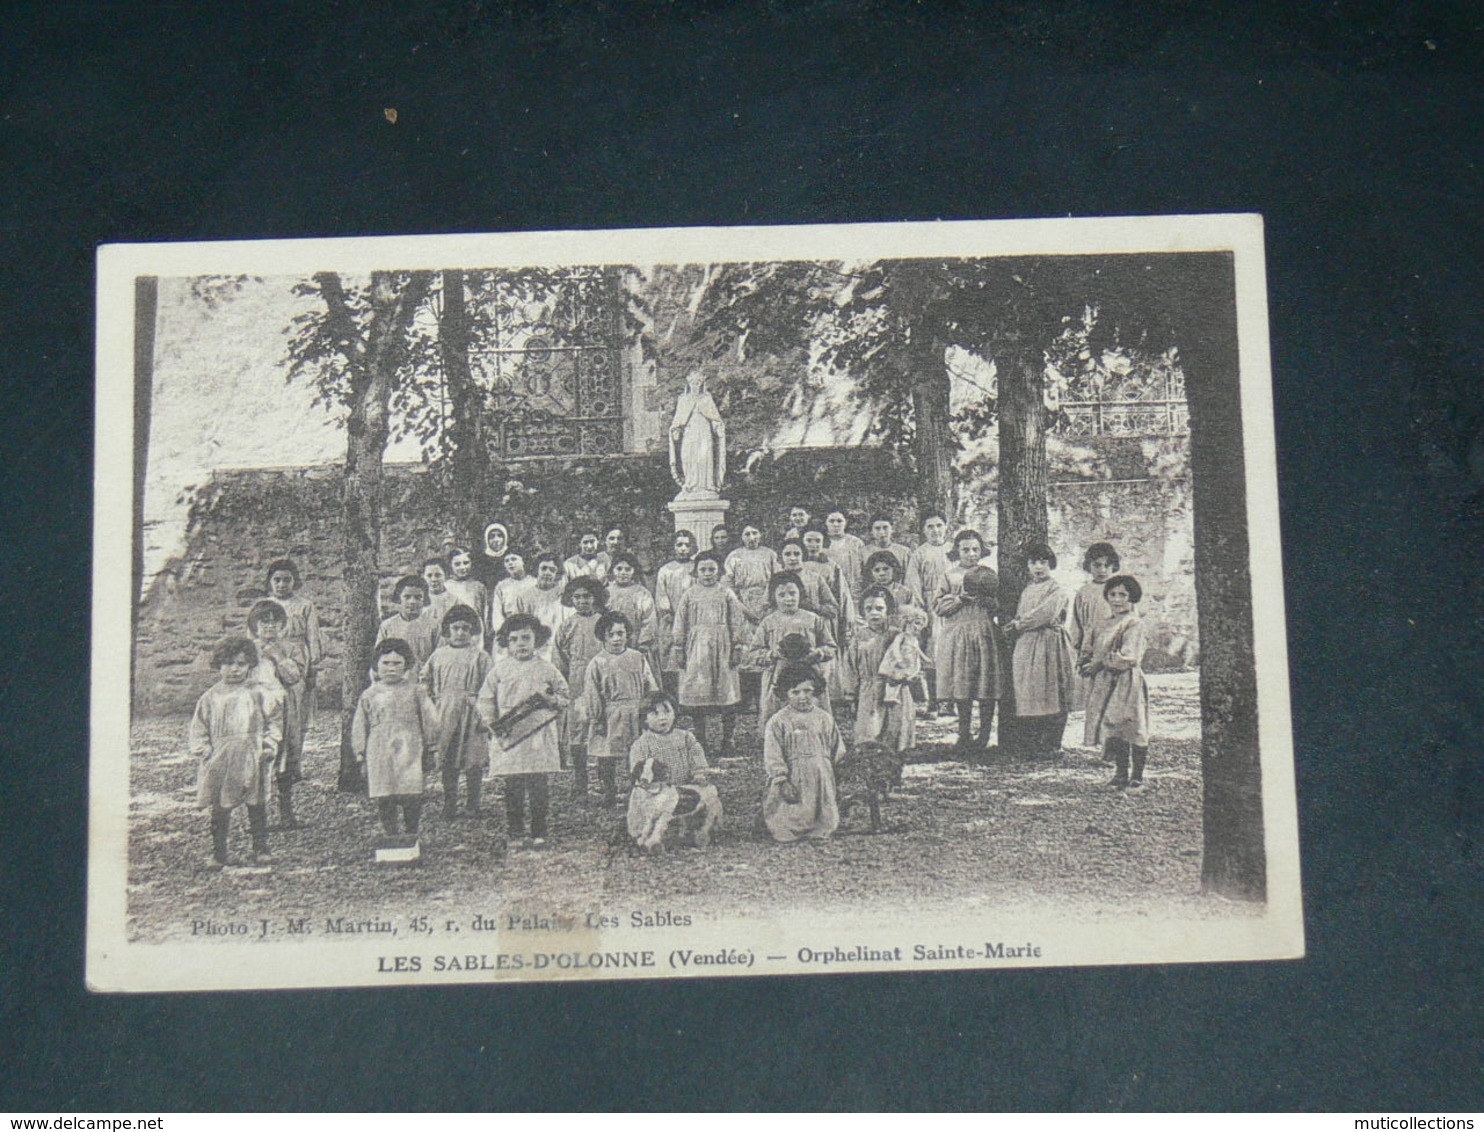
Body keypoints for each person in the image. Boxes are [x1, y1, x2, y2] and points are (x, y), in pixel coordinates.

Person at [476, 613, 571, 846]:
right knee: (513, 786)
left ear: (536, 640)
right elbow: (485, 700)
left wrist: (553, 700)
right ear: (507, 644)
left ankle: (539, 830)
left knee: (539, 785)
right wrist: (492, 722)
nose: (521, 644)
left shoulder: (547, 668)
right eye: (515, 639)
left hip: (538, 733)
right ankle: (516, 831)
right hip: (511, 735)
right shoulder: (499, 671)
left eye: (526, 638)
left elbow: (564, 695)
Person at [190, 636, 281, 869]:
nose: (234, 669)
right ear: (219, 665)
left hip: (252, 754)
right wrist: (204, 749)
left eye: (241, 664)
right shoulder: (210, 697)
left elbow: (273, 721)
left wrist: (270, 744)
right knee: (221, 806)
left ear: (250, 665)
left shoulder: (258, 693)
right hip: (222, 757)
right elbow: (199, 727)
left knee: (256, 803)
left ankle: (261, 848)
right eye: (229, 663)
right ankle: (219, 853)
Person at [351, 638, 437, 843]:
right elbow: (359, 725)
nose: (391, 668)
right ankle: (391, 836)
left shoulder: (417, 691)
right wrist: (360, 754)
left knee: (411, 794)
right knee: (384, 795)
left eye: (397, 663)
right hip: (379, 751)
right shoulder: (369, 694)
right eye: (385, 663)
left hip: (409, 749)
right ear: (376, 666)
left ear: (406, 665)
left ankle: (411, 834)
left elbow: (430, 719)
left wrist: (431, 747)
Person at [671, 550, 748, 757]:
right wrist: (678, 647)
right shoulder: (689, 594)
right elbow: (680, 622)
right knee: (698, 692)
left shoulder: (726, 593)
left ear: (719, 571)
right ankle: (701, 739)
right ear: (696, 572)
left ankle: (728, 739)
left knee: (727, 691)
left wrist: (737, 645)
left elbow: (737, 620)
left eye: (711, 569)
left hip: (723, 646)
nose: (707, 574)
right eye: (702, 570)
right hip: (696, 647)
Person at [1004, 542, 1077, 758]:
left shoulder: (1057, 589)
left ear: (1051, 564)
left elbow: (1044, 614)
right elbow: (1022, 613)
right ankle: (1033, 743)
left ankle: (1053, 743)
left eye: (1043, 562)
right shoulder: (1028, 589)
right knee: (1030, 691)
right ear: (1027, 565)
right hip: (1027, 644)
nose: (1038, 567)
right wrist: (1014, 624)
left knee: (1053, 690)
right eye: (1033, 562)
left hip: (1049, 643)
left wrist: (1018, 625)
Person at [933, 529, 1003, 754]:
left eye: (975, 549)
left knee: (985, 683)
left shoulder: (989, 574)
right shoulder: (950, 575)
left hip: (983, 631)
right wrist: (960, 599)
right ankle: (964, 733)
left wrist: (988, 600)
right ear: (957, 551)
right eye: (965, 549)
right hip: (958, 633)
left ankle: (983, 735)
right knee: (962, 682)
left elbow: (999, 605)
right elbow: (937, 606)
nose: (971, 554)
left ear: (981, 550)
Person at [761, 665, 848, 843]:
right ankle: (786, 829)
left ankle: (821, 828)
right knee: (789, 814)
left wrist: (839, 769)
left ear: (816, 691)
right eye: (796, 692)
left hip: (821, 774)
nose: (803, 697)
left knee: (824, 811)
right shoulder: (778, 721)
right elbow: (773, 753)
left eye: (808, 691)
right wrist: (781, 779)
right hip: (793, 775)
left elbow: (837, 748)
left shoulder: (824, 718)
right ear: (786, 693)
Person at [582, 611, 661, 808]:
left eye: (620, 633)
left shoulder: (637, 658)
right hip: (609, 714)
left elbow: (650, 685)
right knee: (606, 755)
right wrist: (597, 717)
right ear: (603, 637)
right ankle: (609, 791)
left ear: (627, 635)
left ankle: (634, 791)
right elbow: (592, 693)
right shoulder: (597, 662)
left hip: (636, 712)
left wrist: (649, 708)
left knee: (635, 754)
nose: (616, 639)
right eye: (611, 634)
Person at [421, 605, 492, 818]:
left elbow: (490, 685)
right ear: (447, 630)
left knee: (474, 759)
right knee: (448, 758)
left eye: (466, 628)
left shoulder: (480, 656)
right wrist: (430, 704)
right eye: (456, 628)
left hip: (473, 710)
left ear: (473, 631)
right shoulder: (438, 655)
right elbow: (425, 680)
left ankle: (473, 804)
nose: (461, 633)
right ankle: (449, 803)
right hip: (445, 709)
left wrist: (485, 711)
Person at [1081, 575, 1151, 789]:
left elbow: (1128, 657)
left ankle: (1137, 775)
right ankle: (1120, 773)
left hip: (1126, 680)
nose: (1117, 599)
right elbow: (1091, 646)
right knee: (1112, 725)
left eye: (1123, 595)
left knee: (1132, 724)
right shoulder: (1104, 623)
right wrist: (1086, 660)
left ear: (1132, 597)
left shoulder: (1133, 623)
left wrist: (1099, 664)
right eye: (1112, 594)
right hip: (1105, 682)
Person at [747, 571, 837, 731]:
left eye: (792, 593)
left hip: (809, 673)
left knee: (811, 710)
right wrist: (771, 654)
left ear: (800, 594)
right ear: (774, 597)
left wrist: (818, 653)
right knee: (779, 712)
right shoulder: (768, 622)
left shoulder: (813, 619)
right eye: (782, 595)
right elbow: (754, 652)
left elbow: (830, 646)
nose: (788, 599)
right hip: (779, 673)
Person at [246, 599, 307, 830]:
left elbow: (295, 676)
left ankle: (286, 813)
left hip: (284, 710)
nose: (269, 627)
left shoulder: (292, 648)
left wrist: (278, 657)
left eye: (275, 622)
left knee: (285, 759)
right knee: (258, 758)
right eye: (264, 622)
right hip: (256, 709)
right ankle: (257, 817)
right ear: (254, 625)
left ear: (282, 625)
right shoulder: (249, 649)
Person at [842, 586, 920, 753]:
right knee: (869, 732)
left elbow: (910, 660)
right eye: (868, 609)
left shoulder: (897, 635)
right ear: (863, 612)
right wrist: (850, 694)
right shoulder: (859, 637)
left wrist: (904, 674)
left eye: (879, 608)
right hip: (869, 689)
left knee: (894, 731)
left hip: (894, 690)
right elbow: (850, 666)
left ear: (888, 610)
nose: (874, 613)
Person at [554, 575, 608, 799]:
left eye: (586, 596)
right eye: (577, 597)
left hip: (602, 677)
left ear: (595, 597)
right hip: (576, 679)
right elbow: (559, 656)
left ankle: (606, 781)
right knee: (578, 727)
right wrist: (564, 680)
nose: (582, 601)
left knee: (603, 726)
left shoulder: (604, 621)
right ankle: (580, 780)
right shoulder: (568, 624)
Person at [264, 558, 323, 735]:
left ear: (294, 581)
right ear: (270, 581)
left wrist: (313, 663)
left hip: (297, 654)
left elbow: (313, 635)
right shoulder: (265, 605)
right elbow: (253, 633)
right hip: (271, 652)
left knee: (296, 694)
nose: (282, 584)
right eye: (277, 580)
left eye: (287, 580)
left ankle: (294, 733)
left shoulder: (305, 605)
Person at [906, 514, 952, 715]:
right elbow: (913, 582)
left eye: (939, 525)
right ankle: (933, 702)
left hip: (952, 606)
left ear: (946, 527)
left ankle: (951, 703)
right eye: (930, 526)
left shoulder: (954, 550)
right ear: (924, 530)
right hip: (930, 607)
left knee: (952, 654)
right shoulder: (919, 554)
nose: (935, 530)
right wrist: (922, 609)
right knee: (932, 655)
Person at [1069, 542, 1119, 718]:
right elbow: (1076, 623)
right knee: (1094, 695)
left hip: (1113, 647)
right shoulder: (1084, 592)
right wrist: (1076, 648)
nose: (1102, 569)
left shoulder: (1119, 590)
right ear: (1089, 565)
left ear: (1114, 566)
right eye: (1097, 565)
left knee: (1114, 694)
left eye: (1107, 565)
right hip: (1090, 647)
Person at [627, 689, 711, 787]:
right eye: (655, 713)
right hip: (655, 791)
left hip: (685, 787)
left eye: (667, 711)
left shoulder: (686, 737)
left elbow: (697, 758)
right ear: (645, 719)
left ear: (674, 714)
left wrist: (699, 775)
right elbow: (638, 770)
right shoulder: (641, 744)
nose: (662, 717)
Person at [669, 369, 727, 496]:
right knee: (688, 456)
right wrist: (676, 430)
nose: (695, 385)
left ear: (702, 384)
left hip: (704, 432)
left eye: (698, 383)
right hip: (689, 432)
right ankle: (690, 483)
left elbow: (714, 418)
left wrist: (718, 427)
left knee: (704, 458)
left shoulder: (706, 398)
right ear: (689, 384)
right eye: (693, 383)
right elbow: (678, 420)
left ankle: (706, 486)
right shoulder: (684, 399)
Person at [654, 530, 697, 699]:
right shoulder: (666, 570)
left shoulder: (696, 568)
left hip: (692, 621)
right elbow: (661, 596)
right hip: (671, 622)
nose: (683, 548)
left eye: (687, 545)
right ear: (673, 547)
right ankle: (673, 701)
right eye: (679, 544)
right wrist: (668, 614)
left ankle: (691, 700)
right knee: (671, 659)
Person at [604, 551, 660, 680]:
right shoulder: (606, 592)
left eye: (628, 569)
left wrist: (643, 643)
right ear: (613, 570)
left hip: (636, 642)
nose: (623, 572)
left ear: (634, 571)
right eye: (619, 569)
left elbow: (649, 619)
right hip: (612, 641)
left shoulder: (642, 593)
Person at [377, 575, 438, 674]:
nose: (412, 602)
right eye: (407, 597)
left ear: (425, 599)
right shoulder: (387, 626)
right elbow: (379, 657)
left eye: (418, 597)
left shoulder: (433, 626)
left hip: (424, 678)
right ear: (399, 598)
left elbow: (439, 657)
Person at [724, 523, 780, 624]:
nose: (752, 537)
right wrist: (741, 607)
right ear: (741, 537)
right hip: (742, 602)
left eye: (755, 533)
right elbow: (728, 584)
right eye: (747, 534)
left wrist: (765, 602)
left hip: (767, 601)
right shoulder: (734, 555)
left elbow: (777, 579)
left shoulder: (770, 554)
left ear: (760, 535)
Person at [528, 552, 572, 664]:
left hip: (557, 651)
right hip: (533, 650)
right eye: (544, 568)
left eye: (552, 570)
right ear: (537, 570)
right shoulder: (525, 597)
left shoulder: (564, 596)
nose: (547, 573)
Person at [443, 546, 490, 644]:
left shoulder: (478, 586)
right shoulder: (446, 586)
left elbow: (484, 612)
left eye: (466, 563)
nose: (462, 567)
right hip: (453, 630)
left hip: (474, 631)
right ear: (450, 565)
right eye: (457, 564)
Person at [491, 550, 539, 645]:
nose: (510, 563)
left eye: (514, 559)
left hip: (530, 630)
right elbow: (497, 612)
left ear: (523, 561)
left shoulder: (535, 583)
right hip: (508, 631)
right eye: (507, 561)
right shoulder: (501, 586)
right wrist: (503, 632)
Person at [823, 510, 867, 600]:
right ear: (826, 523)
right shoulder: (821, 542)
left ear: (845, 522)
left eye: (839, 521)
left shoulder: (856, 542)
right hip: (828, 588)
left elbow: (864, 567)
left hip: (852, 589)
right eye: (831, 521)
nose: (836, 524)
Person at [421, 556, 458, 630]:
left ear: (446, 576)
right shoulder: (418, 600)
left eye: (438, 575)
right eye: (429, 575)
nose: (434, 579)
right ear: (423, 577)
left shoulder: (455, 601)